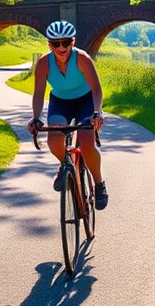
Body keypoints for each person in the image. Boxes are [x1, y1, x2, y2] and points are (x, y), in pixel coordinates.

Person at [25, 20, 108, 210]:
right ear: (49, 45)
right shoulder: (44, 63)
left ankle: (99, 184)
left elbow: (96, 89)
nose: (61, 47)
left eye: (66, 42)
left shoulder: (82, 59)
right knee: (54, 139)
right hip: (60, 102)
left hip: (86, 101)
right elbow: (38, 93)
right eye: (56, 43)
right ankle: (65, 164)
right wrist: (36, 117)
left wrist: (97, 113)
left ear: (73, 41)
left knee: (87, 143)